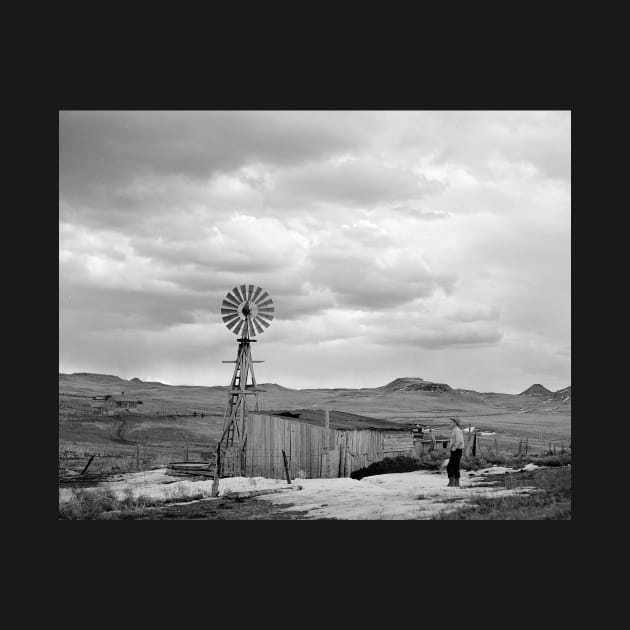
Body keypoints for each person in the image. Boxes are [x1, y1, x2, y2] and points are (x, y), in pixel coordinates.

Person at [447, 417, 465, 487]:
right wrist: (451, 446)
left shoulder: (457, 430)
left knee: (452, 466)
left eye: (451, 422)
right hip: (455, 450)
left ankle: (454, 483)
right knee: (453, 466)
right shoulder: (454, 430)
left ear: (455, 423)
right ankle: (453, 482)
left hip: (457, 450)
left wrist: (454, 448)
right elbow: (454, 440)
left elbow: (460, 441)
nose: (450, 424)